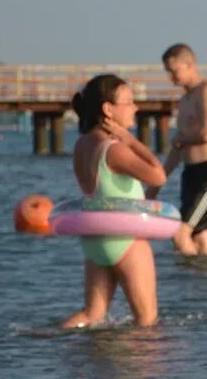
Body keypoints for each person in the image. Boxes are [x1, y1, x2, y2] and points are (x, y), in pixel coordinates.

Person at [62, 74, 167, 328]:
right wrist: (130, 140)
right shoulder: (114, 149)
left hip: (95, 241)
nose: (136, 108)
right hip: (125, 240)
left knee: (90, 315)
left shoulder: (82, 145)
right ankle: (140, 368)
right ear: (108, 109)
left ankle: (48, 342)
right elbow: (158, 175)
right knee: (146, 320)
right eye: (129, 102)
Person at [146, 43, 207, 256]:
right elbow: (177, 148)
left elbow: (206, 135)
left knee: (180, 234)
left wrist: (181, 139)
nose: (171, 78)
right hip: (190, 173)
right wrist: (157, 184)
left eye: (174, 71)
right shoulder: (184, 101)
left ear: (189, 64)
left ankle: (188, 280)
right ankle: (203, 285)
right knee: (200, 239)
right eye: (168, 72)